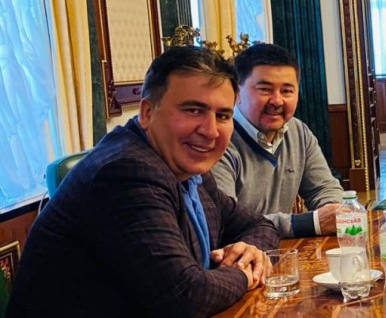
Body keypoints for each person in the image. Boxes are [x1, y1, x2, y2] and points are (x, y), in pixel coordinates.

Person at [7, 46, 280, 318]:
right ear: (147, 113)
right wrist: (244, 273)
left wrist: (251, 251)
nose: (210, 131)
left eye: (222, 116)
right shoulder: (125, 173)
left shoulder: (189, 167)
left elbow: (259, 225)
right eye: (193, 110)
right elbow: (187, 297)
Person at [211, 43, 343, 238]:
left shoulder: (298, 131)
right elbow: (227, 222)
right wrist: (309, 223)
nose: (277, 101)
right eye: (265, 89)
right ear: (236, 93)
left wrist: (332, 211)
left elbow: (324, 188)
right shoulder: (217, 140)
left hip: (280, 248)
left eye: (287, 91)